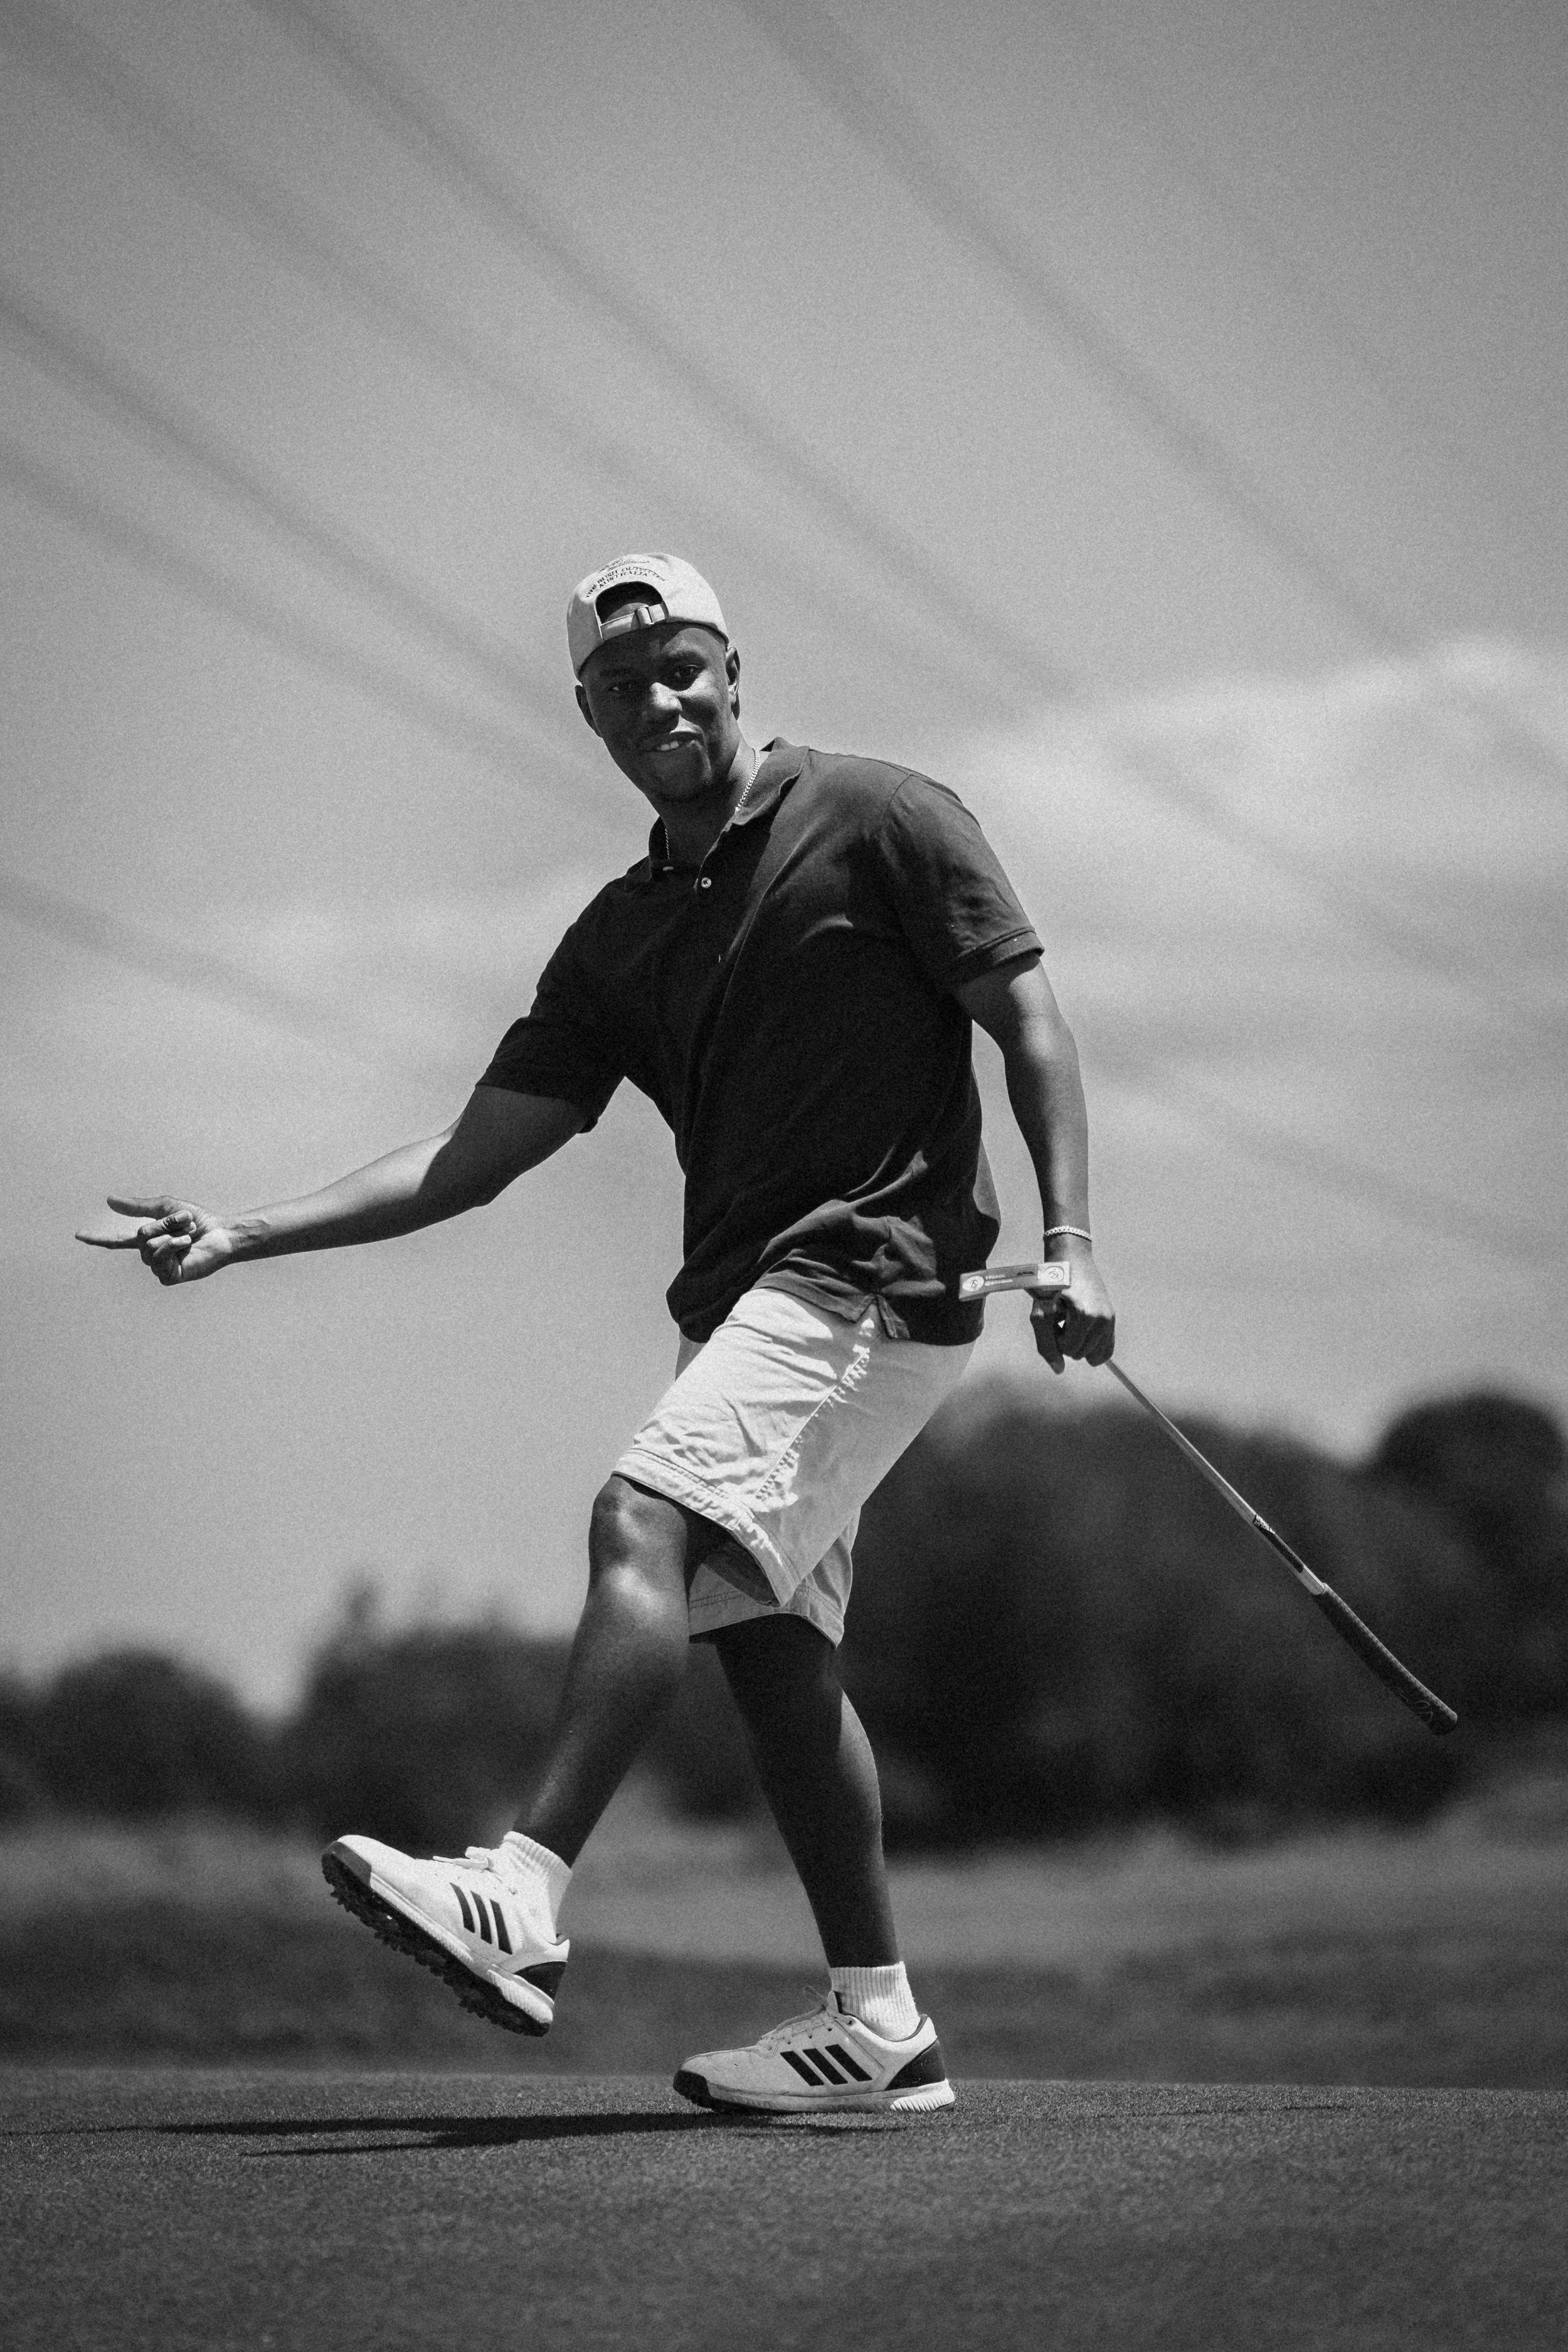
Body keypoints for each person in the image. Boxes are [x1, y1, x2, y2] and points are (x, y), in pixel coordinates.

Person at [79, 552, 1115, 2115]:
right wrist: (244, 1229)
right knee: (766, 1647)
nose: (664, 699)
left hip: (868, 1282)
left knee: (641, 1513)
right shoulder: (621, 934)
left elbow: (1023, 1015)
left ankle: (520, 1892)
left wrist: (1073, 1244)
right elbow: (468, 1155)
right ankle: (880, 2025)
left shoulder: (884, 815)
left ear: (733, 665)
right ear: (590, 716)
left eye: (685, 666)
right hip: (747, 1315)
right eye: (625, 687)